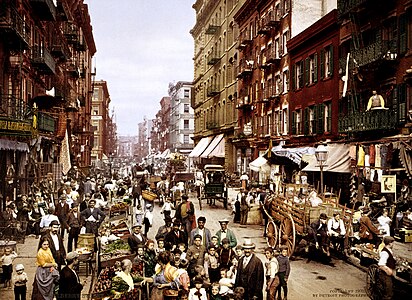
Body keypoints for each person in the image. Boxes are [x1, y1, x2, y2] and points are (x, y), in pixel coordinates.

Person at [378, 236, 396, 300]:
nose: (393, 244)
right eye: (393, 243)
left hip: (388, 274)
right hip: (385, 275)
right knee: (388, 293)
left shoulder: (388, 250)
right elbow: (381, 264)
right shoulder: (385, 253)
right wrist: (389, 270)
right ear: (389, 243)